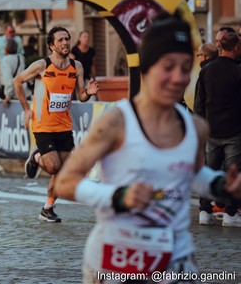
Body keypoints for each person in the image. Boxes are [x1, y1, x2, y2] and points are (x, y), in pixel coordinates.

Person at [53, 15, 241, 283]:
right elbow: (64, 183)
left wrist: (222, 185)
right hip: (115, 260)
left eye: (186, 68)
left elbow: (191, 174)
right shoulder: (116, 121)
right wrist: (118, 196)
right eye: (168, 67)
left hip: (175, 259)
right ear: (148, 67)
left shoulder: (196, 127)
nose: (178, 78)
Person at [13, 26, 98, 223]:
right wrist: (26, 109)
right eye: (60, 40)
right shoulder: (42, 66)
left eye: (67, 39)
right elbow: (17, 81)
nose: (65, 43)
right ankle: (36, 156)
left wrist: (89, 93)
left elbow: (81, 95)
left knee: (65, 170)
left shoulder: (76, 67)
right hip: (43, 126)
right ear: (51, 45)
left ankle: (47, 208)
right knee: (53, 167)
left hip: (64, 126)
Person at [194, 31, 241, 227]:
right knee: (234, 174)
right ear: (237, 48)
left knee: (210, 171)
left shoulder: (206, 70)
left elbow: (199, 102)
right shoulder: (238, 71)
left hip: (211, 130)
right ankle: (230, 214)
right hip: (234, 131)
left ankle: (205, 211)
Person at [0, 38, 28, 108]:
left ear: (6, 49)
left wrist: (8, 96)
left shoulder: (6, 60)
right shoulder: (21, 58)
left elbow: (8, 81)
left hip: (13, 96)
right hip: (24, 93)